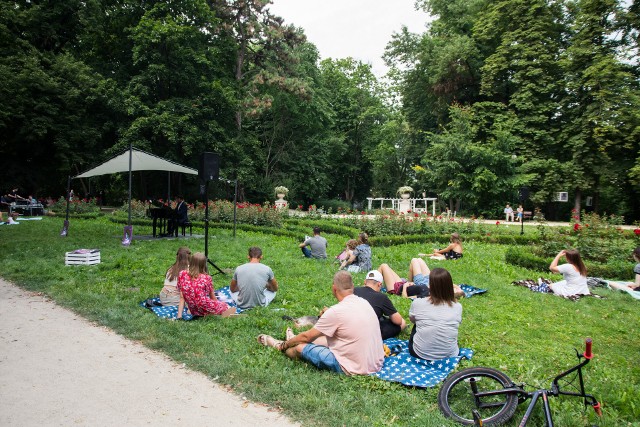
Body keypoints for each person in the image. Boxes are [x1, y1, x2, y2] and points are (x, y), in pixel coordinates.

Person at [257, 270, 384, 375]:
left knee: (300, 348)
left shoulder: (335, 312)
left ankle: (279, 345)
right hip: (375, 363)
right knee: (325, 337)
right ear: (352, 287)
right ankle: (294, 339)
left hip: (354, 367)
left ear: (334, 289)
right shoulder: (364, 302)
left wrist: (285, 345)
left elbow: (308, 336)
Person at [409, 268, 463, 360]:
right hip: (450, 355)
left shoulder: (418, 303)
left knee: (417, 323)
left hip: (420, 353)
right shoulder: (457, 307)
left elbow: (412, 320)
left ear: (430, 286)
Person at [176, 252, 235, 318]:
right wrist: (218, 305)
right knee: (226, 306)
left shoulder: (182, 274)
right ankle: (213, 313)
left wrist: (179, 316)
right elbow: (212, 297)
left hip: (193, 309)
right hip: (204, 306)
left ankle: (207, 313)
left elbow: (182, 296)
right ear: (203, 264)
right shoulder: (206, 278)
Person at [354, 270, 407, 339]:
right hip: (368, 335)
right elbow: (398, 321)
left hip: (351, 329)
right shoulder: (382, 297)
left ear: (365, 282)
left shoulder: (353, 290)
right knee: (402, 323)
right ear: (379, 284)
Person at [379, 258, 464, 299]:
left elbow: (406, 298)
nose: (454, 288)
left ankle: (370, 288)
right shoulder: (440, 288)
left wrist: (405, 286)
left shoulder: (427, 295)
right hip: (408, 284)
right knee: (419, 260)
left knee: (384, 266)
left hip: (397, 288)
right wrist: (458, 290)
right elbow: (454, 287)